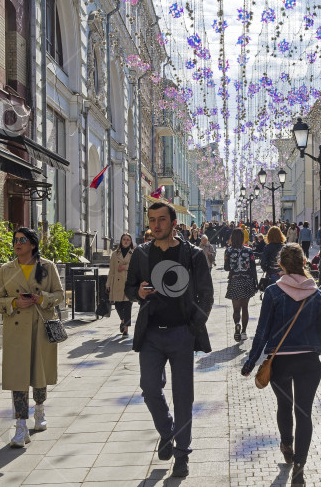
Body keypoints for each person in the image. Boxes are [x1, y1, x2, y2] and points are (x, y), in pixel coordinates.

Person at [124, 201, 214, 478]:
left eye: (162, 220)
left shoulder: (193, 255)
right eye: (152, 220)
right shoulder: (141, 254)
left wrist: (193, 326)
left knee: (183, 395)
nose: (156, 225)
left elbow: (206, 294)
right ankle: (167, 431)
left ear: (174, 223)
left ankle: (182, 453)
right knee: (150, 388)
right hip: (151, 333)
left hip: (181, 333)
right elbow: (128, 289)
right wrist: (138, 293)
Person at [240, 244, 321, 487]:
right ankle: (299, 470)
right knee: (304, 413)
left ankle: (286, 445)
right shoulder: (316, 293)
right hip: (309, 362)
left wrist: (251, 362)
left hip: (279, 361)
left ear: (281, 264)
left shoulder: (273, 292)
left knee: (284, 405)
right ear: (304, 263)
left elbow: (262, 332)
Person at [0, 227, 64, 448]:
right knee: (18, 377)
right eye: (15, 240)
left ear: (32, 244)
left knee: (39, 373)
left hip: (40, 329)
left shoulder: (47, 267)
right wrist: (14, 303)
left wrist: (41, 298)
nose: (17, 243)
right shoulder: (6, 269)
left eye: (22, 240)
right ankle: (20, 426)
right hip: (16, 331)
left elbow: (60, 295)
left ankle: (40, 410)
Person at [225, 229, 259, 342]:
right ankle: (244, 331)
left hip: (234, 280)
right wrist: (256, 283)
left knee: (236, 309)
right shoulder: (249, 251)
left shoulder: (228, 251)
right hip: (247, 280)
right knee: (245, 307)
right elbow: (253, 268)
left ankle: (237, 324)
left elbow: (226, 268)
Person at [107, 233, 135, 336]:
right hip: (117, 282)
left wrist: (125, 267)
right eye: (124, 239)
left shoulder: (134, 253)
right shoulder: (115, 254)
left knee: (128, 306)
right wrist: (108, 283)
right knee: (118, 305)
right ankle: (123, 320)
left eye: (128, 239)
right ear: (121, 241)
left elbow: (136, 267)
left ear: (131, 241)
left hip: (129, 282)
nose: (126, 241)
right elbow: (112, 270)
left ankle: (126, 329)